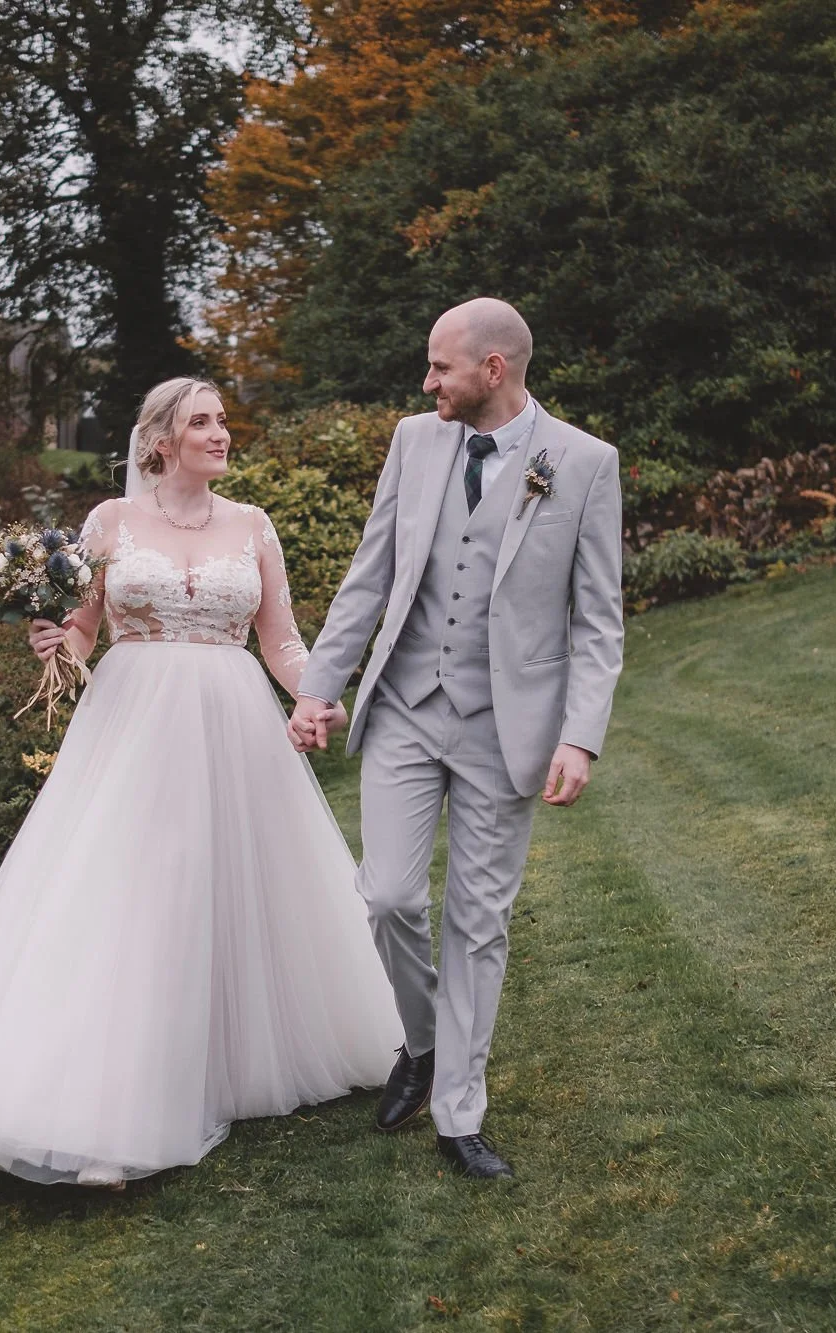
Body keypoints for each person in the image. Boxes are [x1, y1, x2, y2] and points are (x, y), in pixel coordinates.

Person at [0, 377, 403, 1188]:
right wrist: (54, 641)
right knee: (135, 895)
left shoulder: (253, 525)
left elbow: (281, 642)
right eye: (203, 422)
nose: (221, 433)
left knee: (235, 888)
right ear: (161, 441)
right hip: (134, 727)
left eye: (223, 420)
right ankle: (108, 1116)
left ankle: (230, 1062)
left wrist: (316, 694)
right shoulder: (111, 521)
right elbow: (84, 632)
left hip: (234, 723)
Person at [288, 297, 625, 1180]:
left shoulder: (584, 463)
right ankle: (427, 1040)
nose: (426, 381)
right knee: (388, 896)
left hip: (505, 728)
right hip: (405, 706)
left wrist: (581, 737)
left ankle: (459, 1113)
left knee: (479, 922)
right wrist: (320, 686)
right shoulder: (415, 441)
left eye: (440, 367)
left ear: (493, 369)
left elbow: (599, 621)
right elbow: (370, 574)